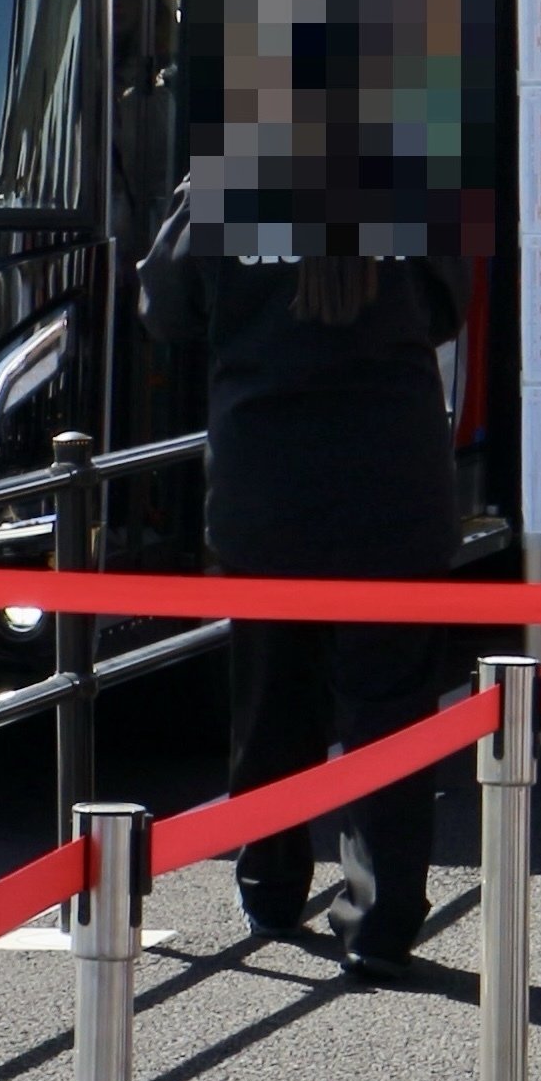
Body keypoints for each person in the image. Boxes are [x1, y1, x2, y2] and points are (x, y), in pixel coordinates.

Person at [147, 223, 467, 984]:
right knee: (388, 711)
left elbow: (164, 308)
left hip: (266, 483)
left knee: (270, 697)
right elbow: (448, 308)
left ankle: (270, 882)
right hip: (392, 484)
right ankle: (379, 920)